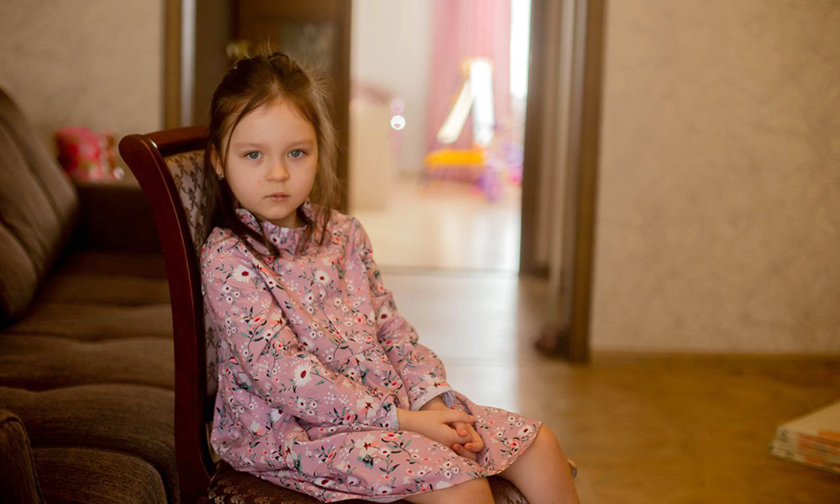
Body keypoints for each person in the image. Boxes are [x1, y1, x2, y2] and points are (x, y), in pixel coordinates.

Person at [200, 50, 580, 504]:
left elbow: (392, 331)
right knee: (462, 487)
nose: (278, 173)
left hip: (395, 407)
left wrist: (432, 401)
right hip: (295, 431)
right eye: (253, 155)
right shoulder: (229, 258)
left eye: (297, 152)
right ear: (219, 160)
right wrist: (408, 422)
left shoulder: (344, 234)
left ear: (319, 151)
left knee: (541, 446)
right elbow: (284, 378)